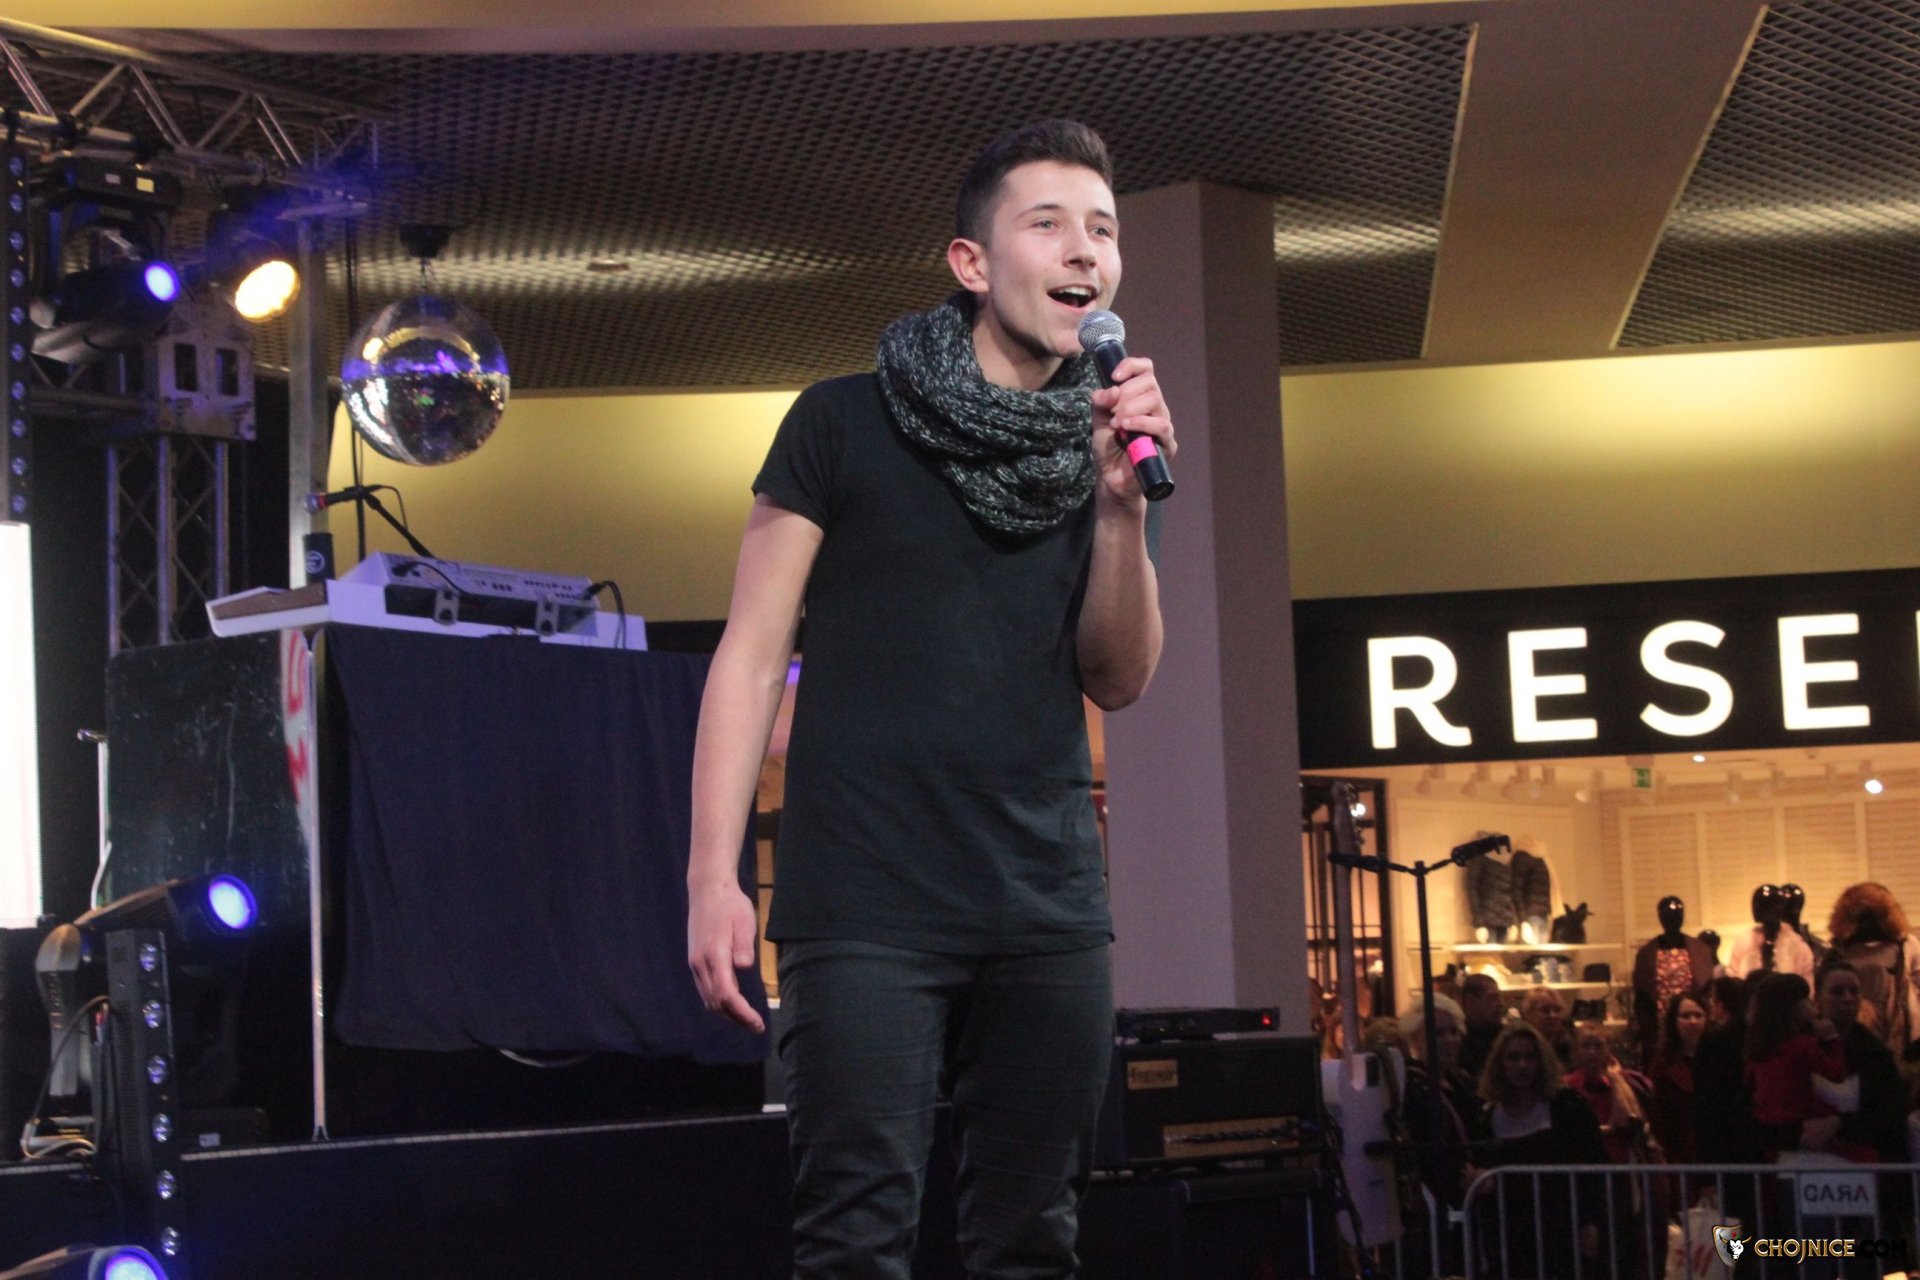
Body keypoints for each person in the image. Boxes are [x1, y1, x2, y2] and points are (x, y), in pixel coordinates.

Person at [684, 119, 1174, 1280]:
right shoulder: (840, 422)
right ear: (971, 262)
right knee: (853, 1243)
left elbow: (1120, 676)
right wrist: (712, 874)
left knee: (1034, 1241)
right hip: (864, 901)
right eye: (1048, 224)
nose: (1085, 251)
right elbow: (749, 656)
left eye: (1103, 230)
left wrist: (1121, 510)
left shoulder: (1103, 445)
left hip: (1045, 903)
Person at [1471, 1022, 1609, 1276]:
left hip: (1561, 1225)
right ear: (1500, 1063)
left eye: (1530, 1057)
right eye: (1513, 1057)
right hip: (1510, 1232)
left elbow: (1593, 1164)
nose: (1522, 1065)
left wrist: (1590, 1220)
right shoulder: (1486, 1116)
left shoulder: (1567, 1106)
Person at [1744, 972, 1873, 1162]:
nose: (1810, 1004)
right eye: (1805, 998)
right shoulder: (1803, 1045)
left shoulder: (1760, 1049)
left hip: (1772, 1128)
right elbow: (1835, 1074)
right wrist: (1832, 1040)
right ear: (1793, 1006)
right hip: (1804, 1122)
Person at [1810, 960, 1905, 1162]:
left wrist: (1842, 1125)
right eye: (1837, 992)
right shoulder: (1800, 1046)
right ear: (1817, 999)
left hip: (1861, 1160)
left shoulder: (1877, 1055)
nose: (1848, 998)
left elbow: (1891, 1115)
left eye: (1854, 991)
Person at [1564, 1020, 1653, 1164]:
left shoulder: (1626, 1082)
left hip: (1619, 1158)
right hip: (1582, 1159)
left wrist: (1615, 1081)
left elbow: (1628, 1122)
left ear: (1608, 1048)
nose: (1592, 1052)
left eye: (1598, 1046)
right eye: (1586, 1046)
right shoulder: (1567, 1085)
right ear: (1576, 1049)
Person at [1645, 988, 1708, 1163]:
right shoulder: (1662, 1064)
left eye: (1698, 1015)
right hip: (1678, 1153)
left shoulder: (1719, 1059)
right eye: (1685, 1016)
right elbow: (1657, 1114)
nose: (1693, 1021)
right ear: (1674, 1021)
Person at [1457, 972, 1505, 1082]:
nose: (1501, 1004)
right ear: (1471, 1002)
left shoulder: (1505, 1036)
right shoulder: (1457, 1042)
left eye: (1500, 997)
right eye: (1493, 998)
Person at [1520, 987, 1573, 1066]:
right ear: (1529, 1014)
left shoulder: (1571, 1044)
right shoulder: (1522, 1047)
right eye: (1545, 1010)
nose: (1553, 1015)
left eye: (1557, 1010)